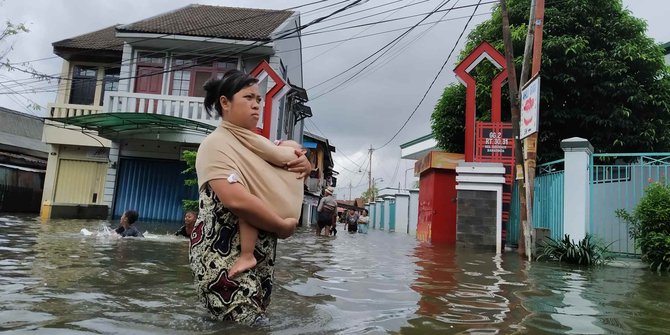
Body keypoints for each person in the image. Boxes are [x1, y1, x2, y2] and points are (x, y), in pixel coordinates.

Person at [191, 69, 312, 324]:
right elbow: (236, 200)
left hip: (261, 256)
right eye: (248, 97)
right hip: (223, 258)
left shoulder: (262, 147)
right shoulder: (216, 145)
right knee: (244, 325)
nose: (256, 105)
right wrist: (282, 227)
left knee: (251, 323)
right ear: (225, 102)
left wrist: (305, 165)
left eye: (259, 99)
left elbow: (280, 174)